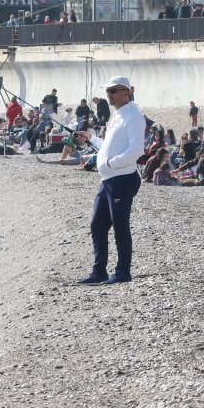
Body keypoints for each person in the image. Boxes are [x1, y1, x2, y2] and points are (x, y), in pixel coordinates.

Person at [76, 76, 145, 285]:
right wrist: (91, 139)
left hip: (122, 178)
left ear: (126, 92)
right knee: (97, 225)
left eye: (113, 91)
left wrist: (111, 163)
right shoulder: (117, 116)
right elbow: (108, 145)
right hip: (108, 179)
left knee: (120, 225)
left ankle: (123, 272)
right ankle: (100, 272)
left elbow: (136, 150)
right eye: (108, 91)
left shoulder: (133, 116)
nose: (109, 95)